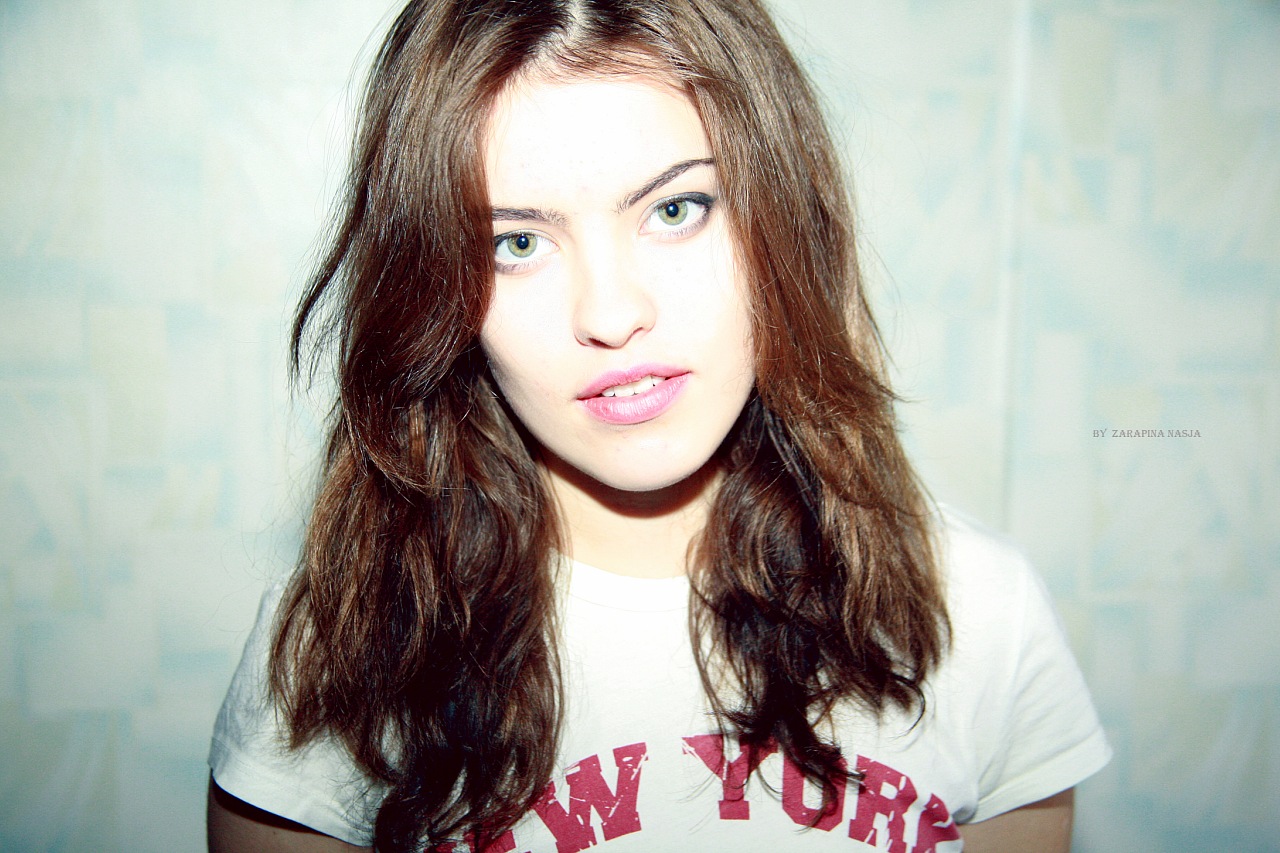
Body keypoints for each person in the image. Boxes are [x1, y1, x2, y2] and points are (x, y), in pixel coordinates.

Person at [207, 1, 1111, 851]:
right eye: (515, 244)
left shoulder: (981, 616)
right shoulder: (339, 655)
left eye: (676, 210)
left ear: (781, 221)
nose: (611, 315)